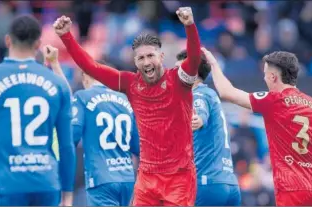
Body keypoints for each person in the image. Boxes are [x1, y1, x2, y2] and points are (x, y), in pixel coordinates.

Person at [53, 6, 202, 206]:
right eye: (141, 58)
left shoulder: (179, 80)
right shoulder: (130, 84)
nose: (147, 62)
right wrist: (66, 37)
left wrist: (190, 26)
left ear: (161, 57)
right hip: (147, 177)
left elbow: (194, 60)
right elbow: (91, 67)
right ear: (135, 61)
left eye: (151, 56)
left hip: (179, 177)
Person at [0, 15, 76, 206]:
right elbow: (66, 145)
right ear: (38, 44)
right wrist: (68, 197)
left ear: (7, 40)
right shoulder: (58, 84)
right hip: (46, 183)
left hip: (5, 184)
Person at [203, 48, 312, 206]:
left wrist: (213, 64)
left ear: (273, 76)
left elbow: (227, 92)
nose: (264, 78)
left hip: (290, 188)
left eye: (265, 73)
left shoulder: (274, 100)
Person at [44, 45, 140, 206]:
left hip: (101, 179)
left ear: (85, 77)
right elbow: (137, 147)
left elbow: (72, 137)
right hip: (127, 179)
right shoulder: (124, 100)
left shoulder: (84, 97)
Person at [176, 50, 241, 206]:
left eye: (178, 69)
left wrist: (197, 120)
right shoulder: (210, 94)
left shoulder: (198, 94)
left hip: (207, 183)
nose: (174, 74)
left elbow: (199, 115)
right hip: (229, 183)